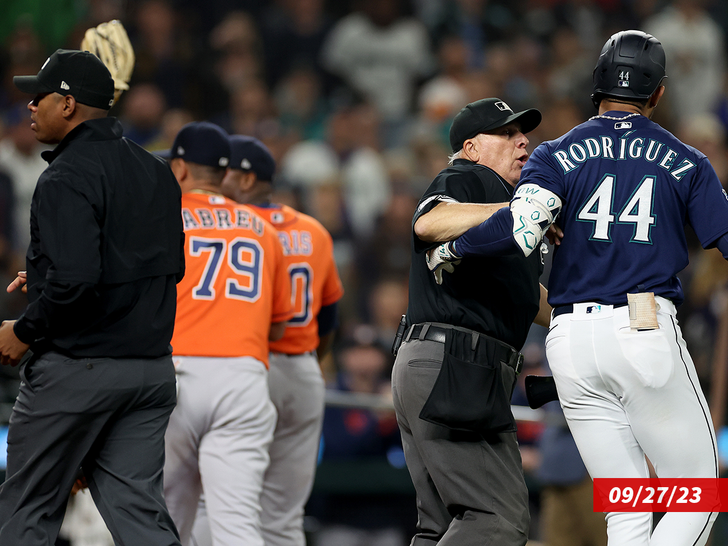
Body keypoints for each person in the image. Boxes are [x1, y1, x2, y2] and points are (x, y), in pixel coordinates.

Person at [431, 30, 728, 546]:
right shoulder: (686, 159)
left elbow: (522, 229)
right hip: (642, 328)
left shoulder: (554, 154)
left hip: (570, 345)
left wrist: (456, 249)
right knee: (697, 493)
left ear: (597, 88)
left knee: (627, 511)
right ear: (657, 93)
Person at [0, 49, 184, 546]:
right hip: (149, 372)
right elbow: (152, 268)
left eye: (38, 96)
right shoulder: (157, 171)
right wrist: (44, 275)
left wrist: (23, 329)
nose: (29, 107)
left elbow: (78, 281)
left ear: (68, 103)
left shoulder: (64, 174)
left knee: (26, 513)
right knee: (140, 518)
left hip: (78, 369)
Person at [390, 97, 552, 546]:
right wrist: (519, 212)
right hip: (456, 361)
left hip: (441, 360)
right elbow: (429, 222)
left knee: (441, 526)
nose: (523, 141)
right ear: (471, 147)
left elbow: (525, 296)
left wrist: (574, 319)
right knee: (497, 519)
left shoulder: (504, 205)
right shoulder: (469, 177)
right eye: (506, 132)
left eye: (524, 132)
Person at [190, 134, 344, 546]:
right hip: (302, 370)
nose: (216, 179)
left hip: (245, 367)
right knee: (284, 516)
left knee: (211, 504)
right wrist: (311, 360)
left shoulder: (234, 228)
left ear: (243, 179)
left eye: (225, 172)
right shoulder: (314, 231)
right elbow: (330, 316)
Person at [161, 122, 293, 546]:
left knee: (164, 522)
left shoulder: (163, 216)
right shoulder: (264, 229)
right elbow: (279, 323)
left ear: (180, 168)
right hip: (243, 376)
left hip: (176, 374)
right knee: (237, 527)